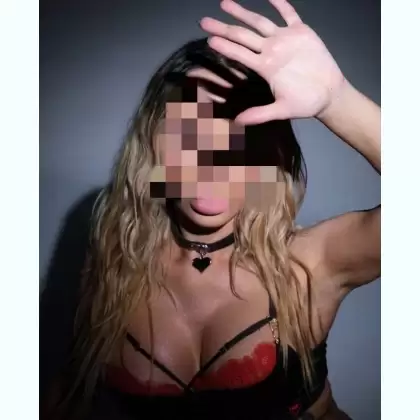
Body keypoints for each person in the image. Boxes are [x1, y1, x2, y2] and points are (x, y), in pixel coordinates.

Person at [44, 0, 380, 419]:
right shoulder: (116, 253)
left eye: (241, 132)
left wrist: (338, 101)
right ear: (153, 146)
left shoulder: (309, 265)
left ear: (269, 154)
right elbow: (69, 390)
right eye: (190, 131)